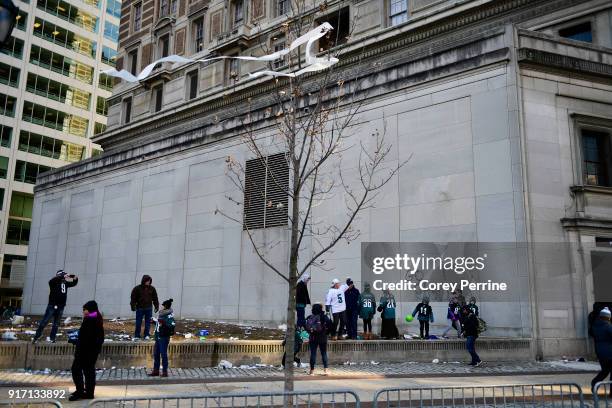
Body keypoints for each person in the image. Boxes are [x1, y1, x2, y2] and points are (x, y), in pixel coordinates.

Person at [69, 300, 104, 401]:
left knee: (76, 370)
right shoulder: (95, 317)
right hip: (91, 351)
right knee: (88, 371)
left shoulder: (91, 320)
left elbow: (87, 337)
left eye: (85, 309)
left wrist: (77, 341)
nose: (84, 311)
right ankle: (88, 392)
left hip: (86, 351)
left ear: (90, 310)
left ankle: (80, 391)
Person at [33, 270, 78, 343]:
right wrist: (62, 276)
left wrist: (74, 278)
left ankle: (52, 338)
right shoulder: (53, 282)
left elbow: (73, 283)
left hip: (61, 306)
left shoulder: (65, 283)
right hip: (52, 305)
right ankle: (37, 336)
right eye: (63, 275)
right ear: (59, 275)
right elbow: (51, 281)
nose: (65, 277)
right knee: (45, 321)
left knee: (56, 324)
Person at [149, 298, 175, 377]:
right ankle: (156, 370)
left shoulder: (169, 315)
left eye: (163, 306)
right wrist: (154, 322)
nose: (161, 307)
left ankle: (164, 371)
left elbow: (171, 325)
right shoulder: (162, 314)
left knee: (163, 354)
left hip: (164, 337)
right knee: (156, 354)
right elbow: (159, 324)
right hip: (158, 336)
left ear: (166, 306)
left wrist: (163, 323)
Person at [305, 303, 331, 375]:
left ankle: (312, 371)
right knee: (324, 353)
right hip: (322, 337)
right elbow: (330, 325)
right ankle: (326, 370)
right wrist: (326, 333)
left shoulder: (310, 317)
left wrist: (311, 332)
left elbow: (306, 327)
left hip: (313, 338)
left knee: (313, 354)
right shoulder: (324, 317)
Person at [130, 274, 159, 340]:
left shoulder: (152, 288)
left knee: (148, 322)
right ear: (144, 281)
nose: (148, 282)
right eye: (147, 281)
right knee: (138, 322)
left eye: (149, 281)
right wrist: (133, 305)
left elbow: (155, 298)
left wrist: (156, 306)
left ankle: (146, 335)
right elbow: (133, 298)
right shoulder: (137, 288)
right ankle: (137, 335)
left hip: (148, 308)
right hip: (140, 308)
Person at [591, 307, 612, 395]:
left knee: (605, 371)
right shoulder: (607, 326)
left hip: (600, 352)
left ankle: (594, 383)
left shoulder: (595, 326)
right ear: (608, 317)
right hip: (610, 353)